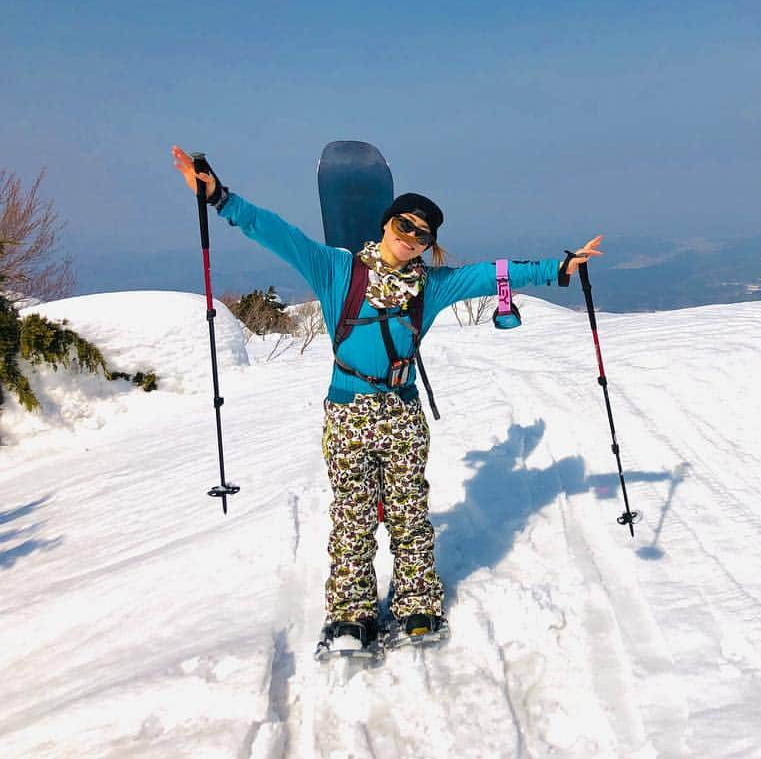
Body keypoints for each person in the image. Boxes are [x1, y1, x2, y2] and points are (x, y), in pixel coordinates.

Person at [171, 145, 601, 649]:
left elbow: (494, 274)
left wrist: (559, 268)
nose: (411, 239)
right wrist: (220, 197)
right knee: (352, 516)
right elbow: (276, 233)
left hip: (401, 413)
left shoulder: (431, 288)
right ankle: (350, 615)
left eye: (423, 235)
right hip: (349, 412)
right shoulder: (338, 270)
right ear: (386, 224)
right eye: (404, 226)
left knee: (408, 512)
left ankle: (417, 604)